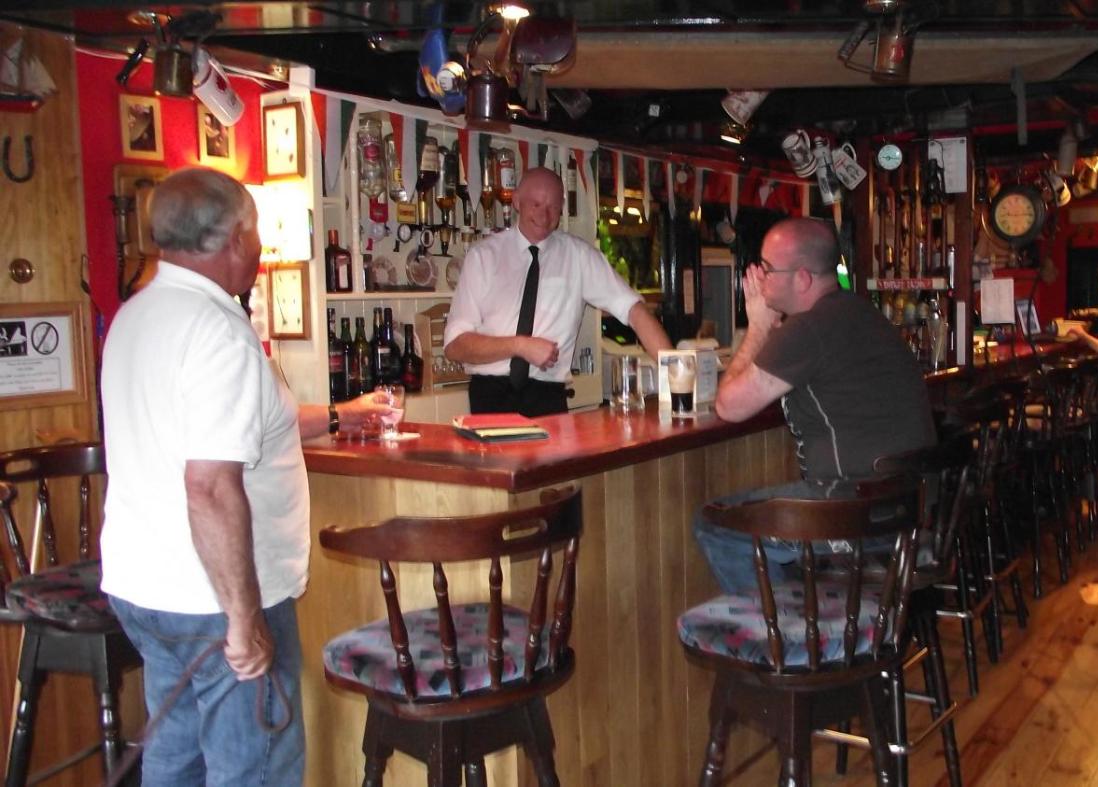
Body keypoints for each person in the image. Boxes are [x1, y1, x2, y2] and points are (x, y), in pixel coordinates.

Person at [100, 167, 389, 786]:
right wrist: (242, 617)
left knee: (176, 759)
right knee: (255, 768)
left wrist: (341, 415)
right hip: (213, 597)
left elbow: (243, 427)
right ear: (236, 237)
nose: (259, 247)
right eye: (255, 232)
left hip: (145, 589)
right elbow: (209, 484)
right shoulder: (216, 331)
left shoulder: (136, 316)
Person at [695, 217, 937, 593]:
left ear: (803, 278)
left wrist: (758, 326)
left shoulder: (808, 328)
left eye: (767, 269)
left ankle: (786, 628)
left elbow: (729, 406)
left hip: (857, 514)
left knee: (718, 524)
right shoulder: (860, 313)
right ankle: (815, 616)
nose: (758, 279)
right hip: (907, 508)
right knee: (766, 528)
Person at [443, 167, 671, 416]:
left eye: (553, 207)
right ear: (517, 201)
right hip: (490, 397)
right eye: (536, 204)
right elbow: (455, 346)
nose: (545, 215)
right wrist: (520, 346)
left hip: (546, 397)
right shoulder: (483, 257)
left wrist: (675, 374)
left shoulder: (578, 256)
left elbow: (635, 312)